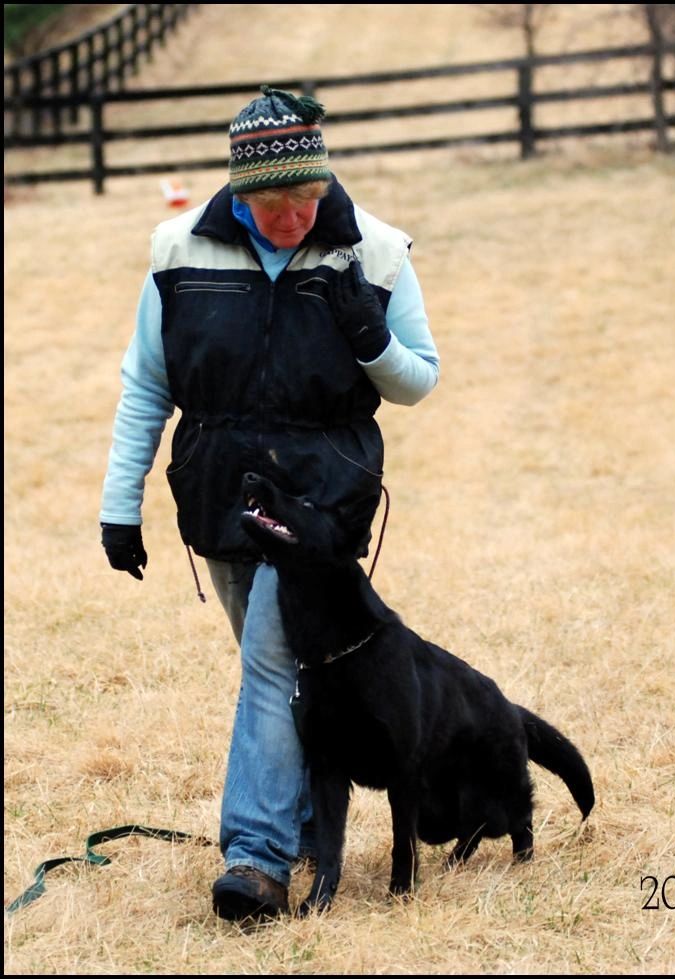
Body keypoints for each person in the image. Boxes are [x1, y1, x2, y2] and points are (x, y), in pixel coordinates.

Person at [99, 85, 440, 922]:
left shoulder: (377, 254)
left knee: (270, 665)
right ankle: (314, 833)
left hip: (320, 506)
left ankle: (255, 858)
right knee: (290, 679)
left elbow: (418, 381)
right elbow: (147, 386)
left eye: (307, 199)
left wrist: (374, 339)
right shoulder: (178, 250)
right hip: (221, 496)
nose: (293, 219)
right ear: (238, 192)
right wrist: (120, 504)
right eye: (273, 203)